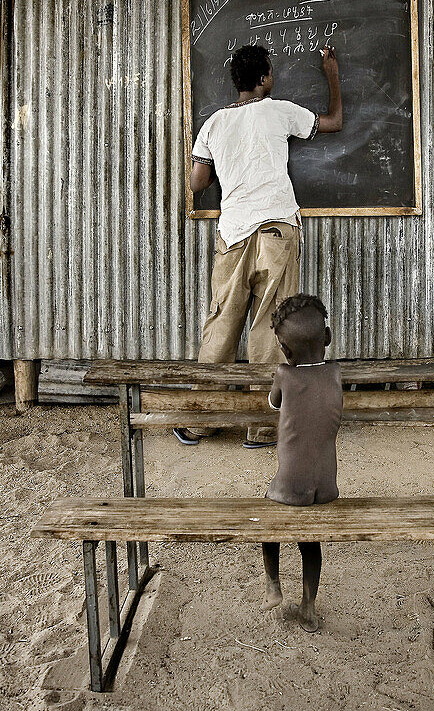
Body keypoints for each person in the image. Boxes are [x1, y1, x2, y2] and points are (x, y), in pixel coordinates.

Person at [173, 43, 342, 449]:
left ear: (236, 81)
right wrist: (332, 74)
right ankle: (263, 426)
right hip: (276, 231)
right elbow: (335, 121)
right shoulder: (280, 110)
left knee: (223, 322)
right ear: (265, 78)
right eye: (272, 71)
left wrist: (229, 168)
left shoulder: (213, 124)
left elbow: (197, 184)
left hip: (232, 234)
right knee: (271, 325)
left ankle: (202, 422)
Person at [260, 293, 342, 632]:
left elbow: (274, 403)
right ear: (327, 339)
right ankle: (309, 606)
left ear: (285, 350)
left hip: (290, 486)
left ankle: (273, 586)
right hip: (327, 488)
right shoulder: (336, 373)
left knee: (268, 525)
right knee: (310, 543)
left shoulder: (284, 374)